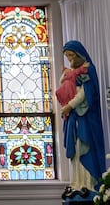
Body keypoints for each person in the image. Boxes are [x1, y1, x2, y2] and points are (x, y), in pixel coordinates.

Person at [60, 40, 106, 200]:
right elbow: (63, 85)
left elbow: (85, 93)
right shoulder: (72, 71)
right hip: (73, 119)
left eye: (72, 56)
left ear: (79, 54)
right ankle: (77, 183)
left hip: (85, 118)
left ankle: (88, 183)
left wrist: (70, 106)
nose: (70, 60)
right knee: (75, 153)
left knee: (83, 148)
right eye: (67, 57)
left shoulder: (88, 69)